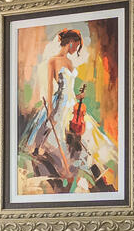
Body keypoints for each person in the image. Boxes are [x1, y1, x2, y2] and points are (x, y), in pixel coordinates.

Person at [23, 27, 99, 192]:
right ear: (70, 42)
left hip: (72, 103)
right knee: (58, 135)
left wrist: (79, 96)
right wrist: (50, 108)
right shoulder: (53, 61)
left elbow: (70, 89)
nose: (76, 50)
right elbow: (51, 87)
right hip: (60, 103)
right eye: (76, 46)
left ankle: (78, 170)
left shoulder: (70, 63)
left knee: (81, 134)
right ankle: (61, 170)